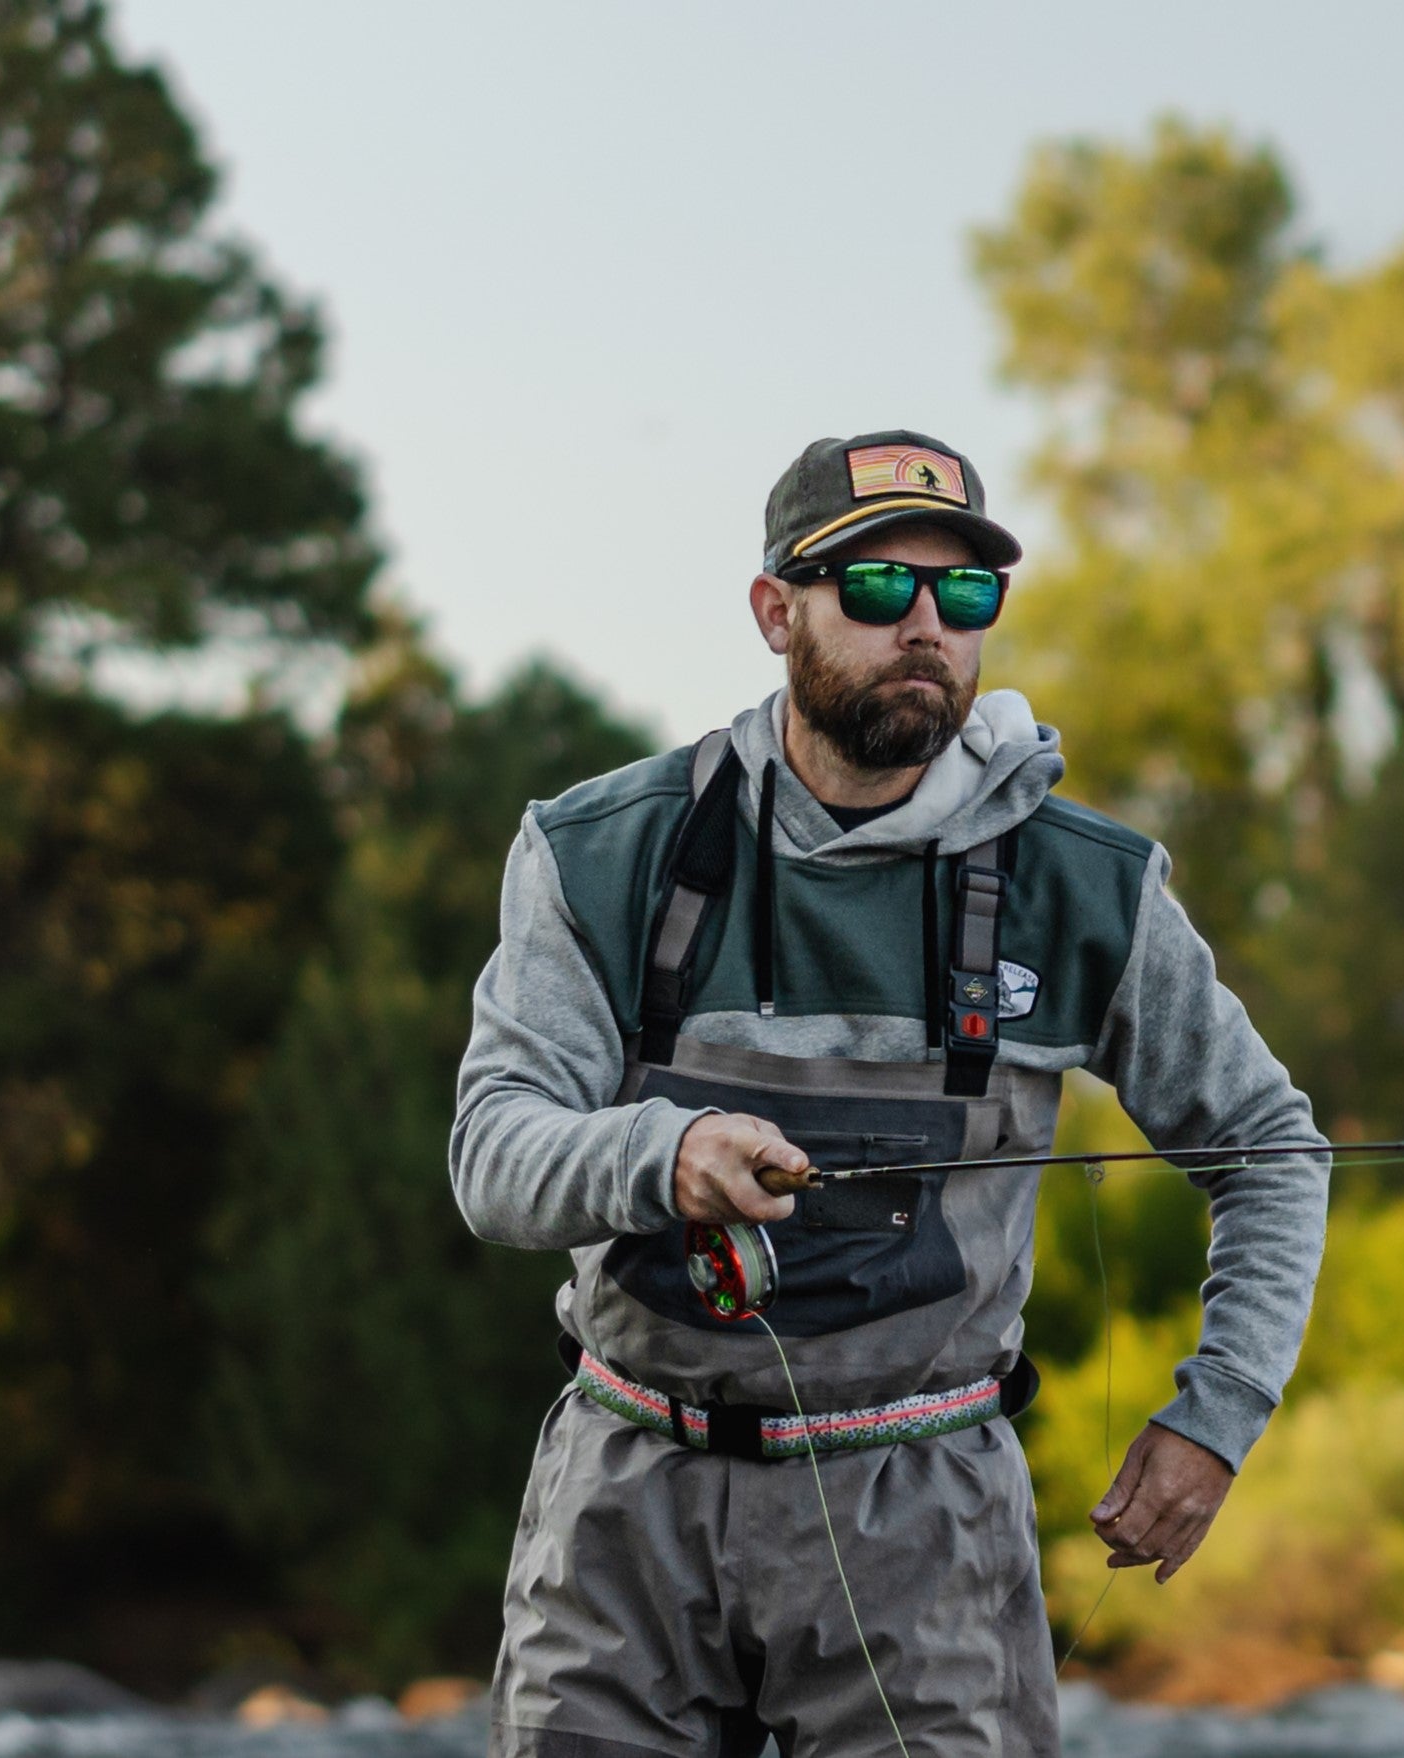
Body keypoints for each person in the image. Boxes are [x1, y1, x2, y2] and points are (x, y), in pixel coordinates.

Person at [450, 428, 1331, 1757]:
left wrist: (1218, 1411)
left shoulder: (1087, 886)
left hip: (924, 1519)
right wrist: (662, 1150)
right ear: (773, 611)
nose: (924, 623)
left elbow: (1267, 1146)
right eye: (874, 588)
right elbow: (491, 1158)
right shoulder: (597, 852)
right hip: (621, 1504)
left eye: (962, 593)